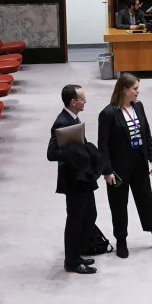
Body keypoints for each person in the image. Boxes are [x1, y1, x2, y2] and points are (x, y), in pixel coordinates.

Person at [97, 72, 152, 256]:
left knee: (147, 201)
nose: (137, 92)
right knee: (119, 204)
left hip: (139, 163)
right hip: (118, 167)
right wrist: (107, 171)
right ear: (124, 90)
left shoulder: (138, 107)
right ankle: (121, 240)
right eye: (135, 89)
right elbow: (103, 145)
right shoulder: (108, 114)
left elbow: (146, 133)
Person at [48, 84, 104, 274]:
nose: (85, 101)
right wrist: (73, 151)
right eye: (82, 98)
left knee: (90, 215)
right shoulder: (61, 122)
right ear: (73, 102)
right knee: (75, 220)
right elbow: (52, 153)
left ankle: (77, 253)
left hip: (84, 176)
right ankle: (71, 261)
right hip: (73, 180)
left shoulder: (73, 118)